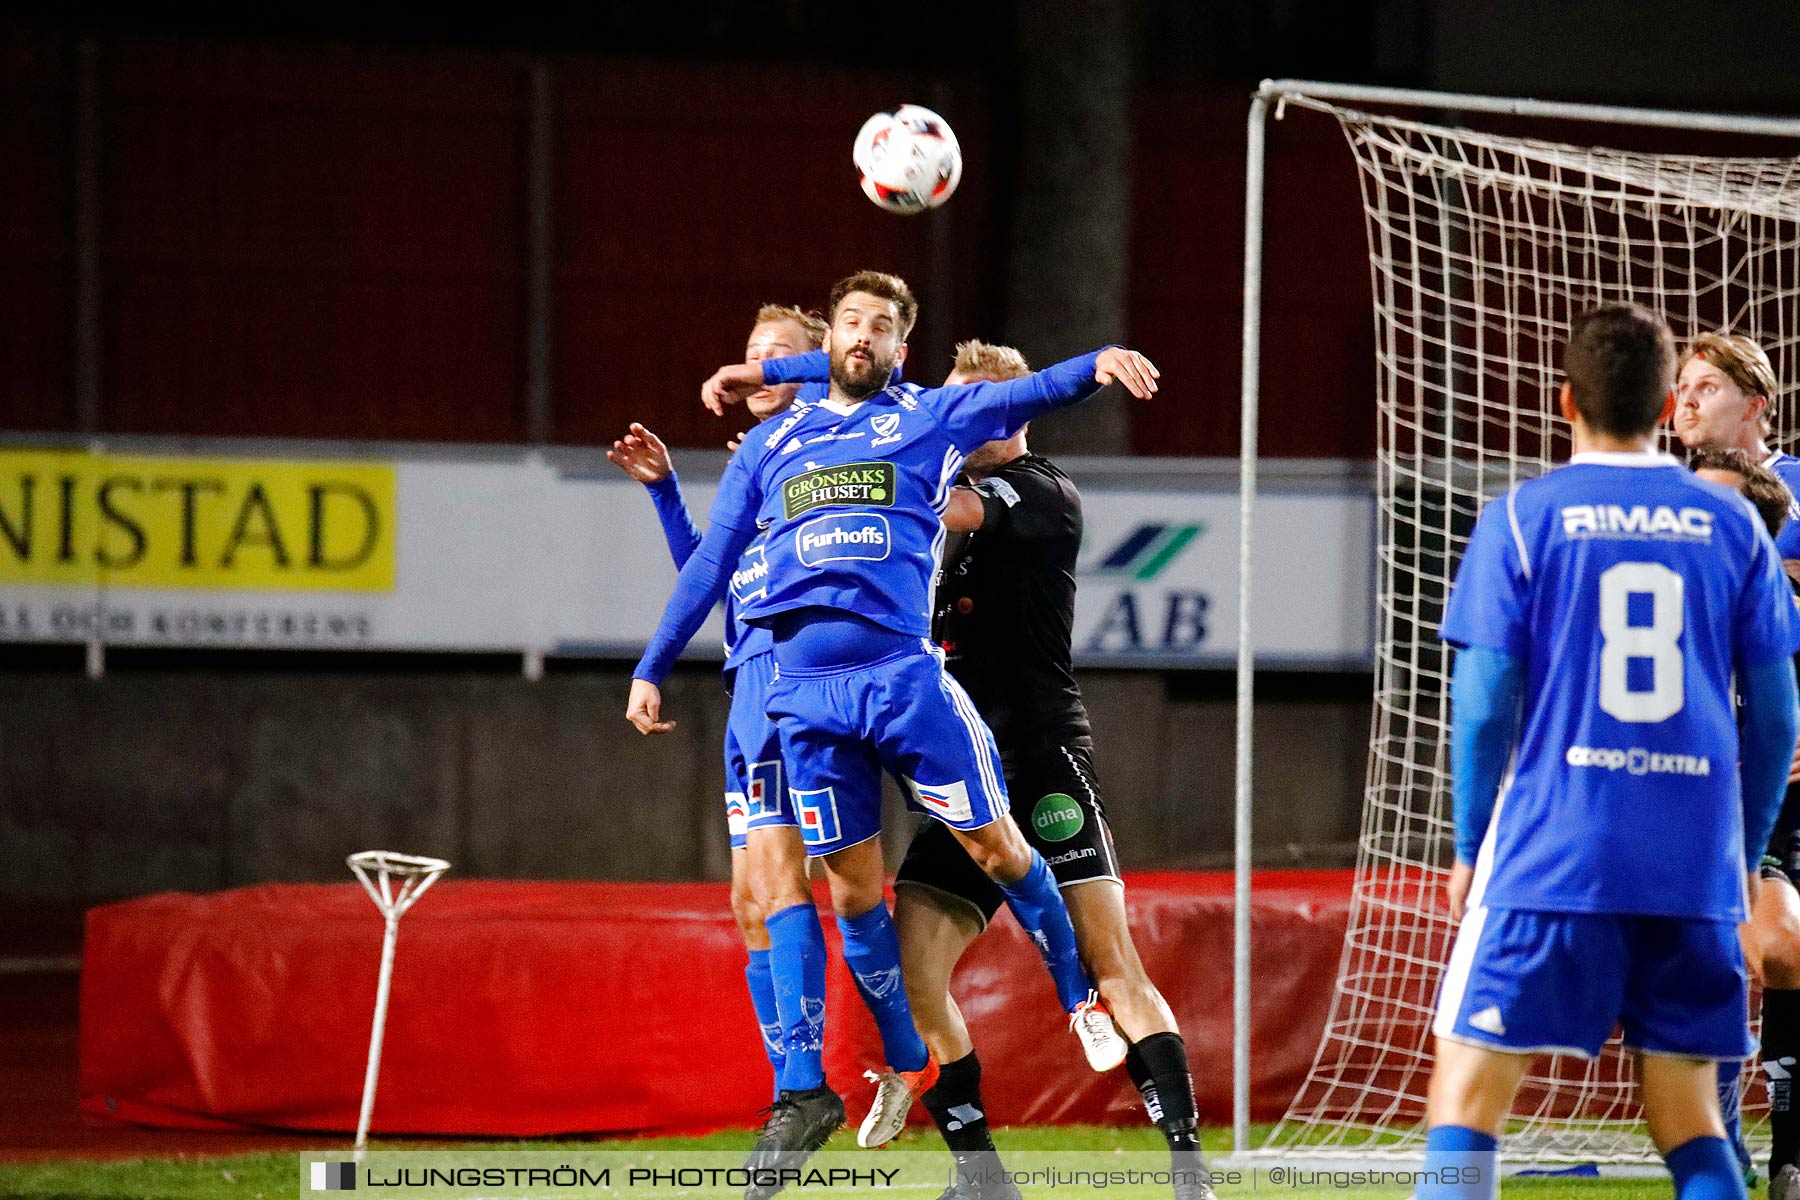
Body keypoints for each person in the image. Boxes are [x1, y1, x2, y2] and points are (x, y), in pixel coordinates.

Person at [629, 270, 1153, 1180]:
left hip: (901, 681)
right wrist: (650, 665)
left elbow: (1020, 393)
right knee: (850, 893)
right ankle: (901, 1067)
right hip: (801, 698)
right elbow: (712, 560)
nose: (862, 335)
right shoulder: (771, 448)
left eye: (880, 325)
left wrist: (1094, 364)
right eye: (850, 322)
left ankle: (1079, 997)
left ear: (901, 348)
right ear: (830, 338)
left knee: (995, 848)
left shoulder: (920, 417)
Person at [758, 338, 1211, 1200]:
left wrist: (861, 481)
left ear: (1012, 408)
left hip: (1040, 758)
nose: (959, 420)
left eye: (973, 404)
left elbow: (953, 508)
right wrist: (783, 378)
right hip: (961, 766)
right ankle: (979, 1173)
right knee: (914, 967)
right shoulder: (939, 501)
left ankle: (1190, 1172)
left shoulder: (1039, 492)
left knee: (1110, 959)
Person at [1420, 302, 1800, 1200]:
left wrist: (1472, 845)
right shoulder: (1737, 526)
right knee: (1690, 1119)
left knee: (1466, 1101)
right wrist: (1738, 860)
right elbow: (1778, 721)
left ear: (1566, 403)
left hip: (1556, 852)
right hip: (1691, 867)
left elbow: (1479, 708)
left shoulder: (1522, 517)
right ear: (1668, 402)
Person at [604, 304, 826, 1117]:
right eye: (751, 351)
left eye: (780, 357)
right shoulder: (761, 462)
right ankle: (787, 1095)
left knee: (784, 882)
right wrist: (666, 491)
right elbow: (715, 578)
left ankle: (809, 1089)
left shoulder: (828, 450)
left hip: (799, 688)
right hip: (748, 694)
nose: (759, 366)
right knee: (745, 900)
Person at [1689, 446, 1800, 1197]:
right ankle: (1721, 1134)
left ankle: (1788, 1152)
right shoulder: (1663, 604)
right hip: (1684, 828)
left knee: (1784, 953)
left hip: (1770, 830)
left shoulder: (1787, 613)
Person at [1673, 331, 1800, 571]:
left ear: (1753, 407)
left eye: (1708, 388)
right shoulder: (1674, 493)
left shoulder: (1797, 480)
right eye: (1683, 388)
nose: (1688, 400)